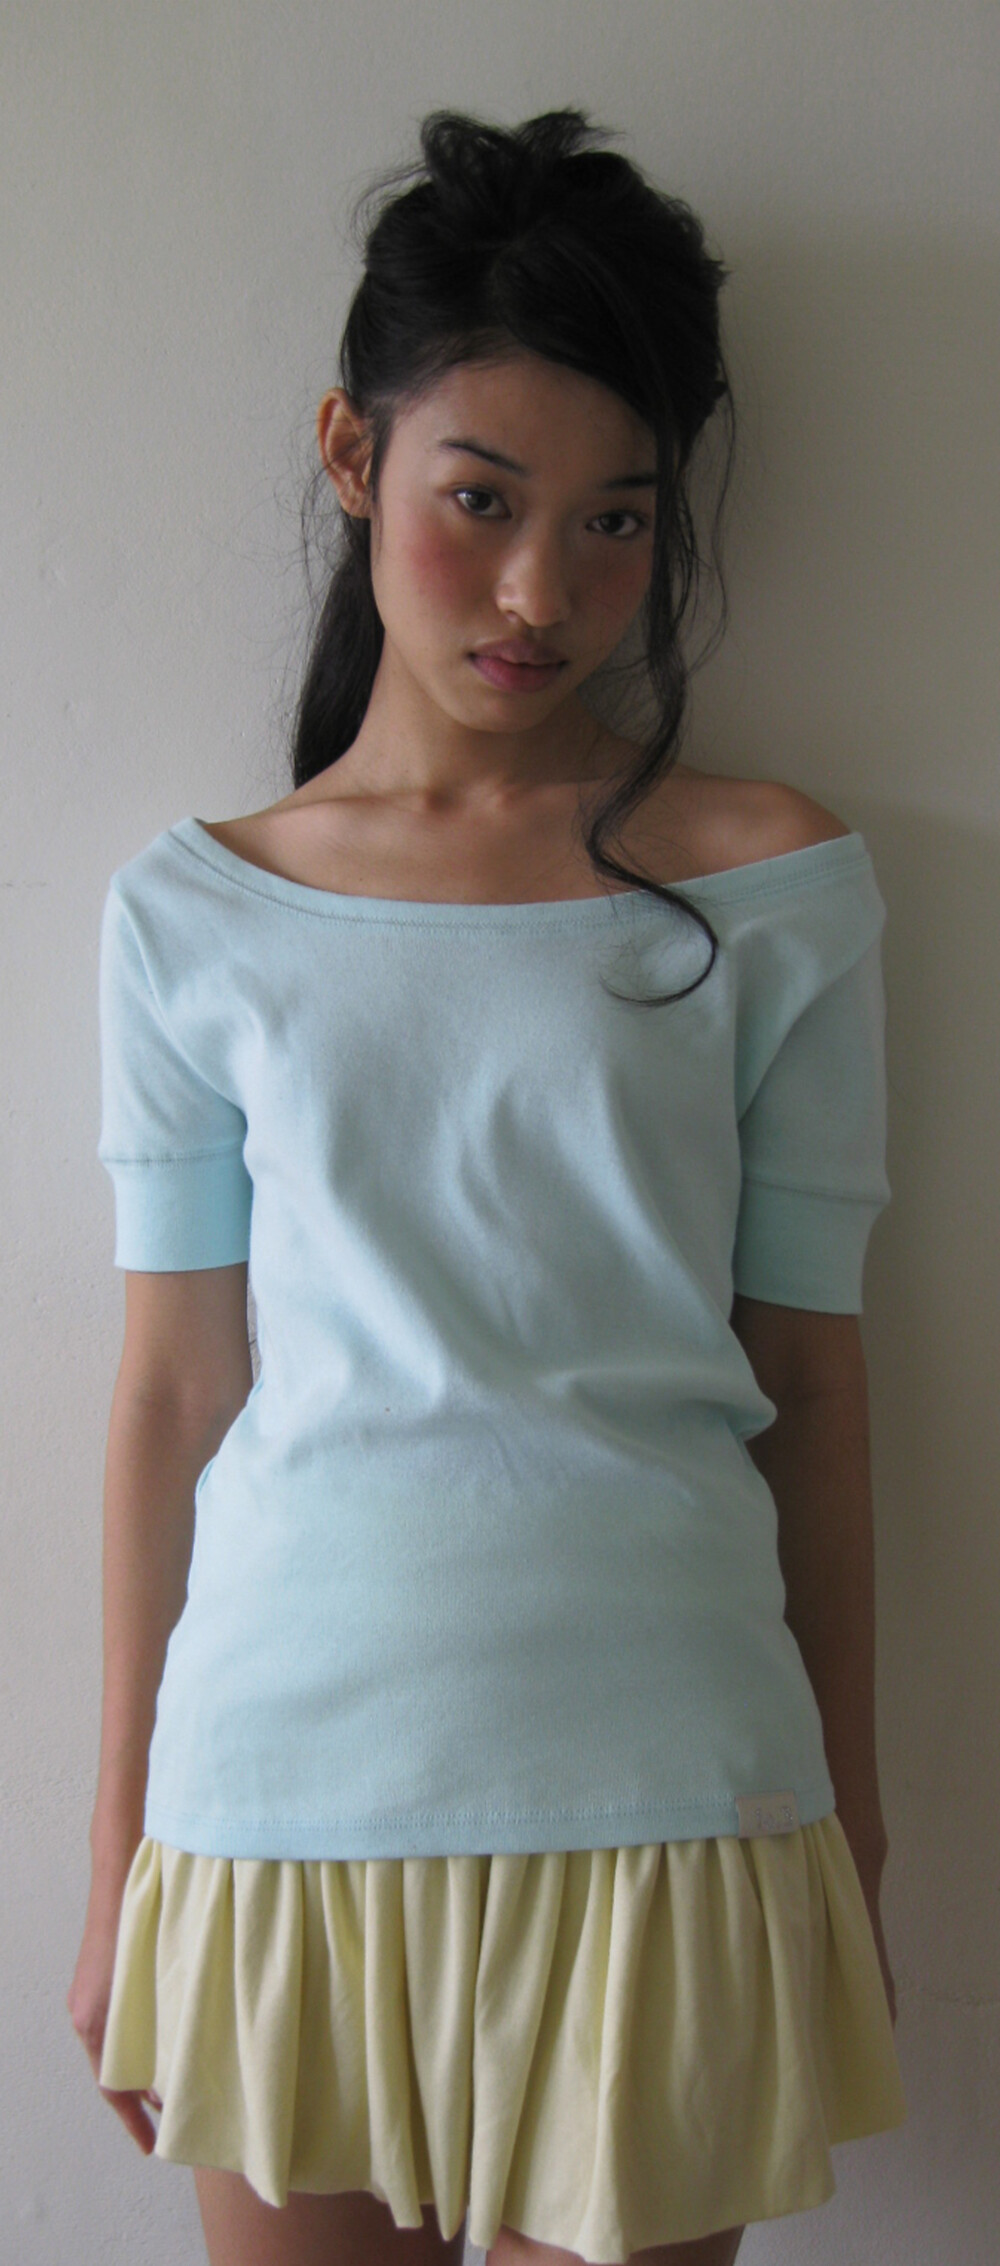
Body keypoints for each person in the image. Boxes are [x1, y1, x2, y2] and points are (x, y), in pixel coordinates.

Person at [68, 105, 907, 2266]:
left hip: (672, 1791)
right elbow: (172, 1395)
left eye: (615, 518)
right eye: (482, 499)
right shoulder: (193, 916)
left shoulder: (775, 884)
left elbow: (813, 1380)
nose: (546, 591)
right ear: (352, 455)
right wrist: (116, 1853)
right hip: (273, 1802)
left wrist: (853, 1804)